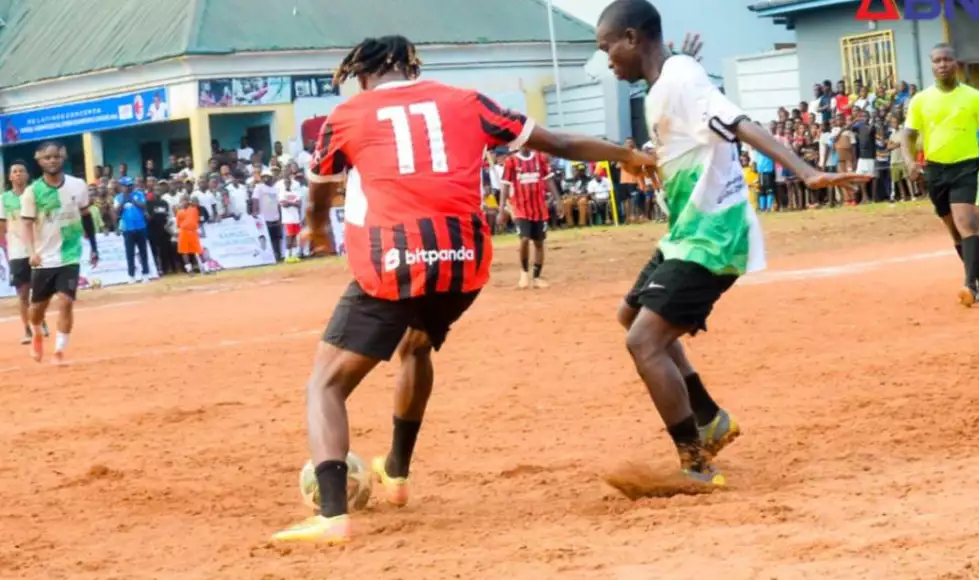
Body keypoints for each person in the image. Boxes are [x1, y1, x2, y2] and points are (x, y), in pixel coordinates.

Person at [272, 34, 655, 544]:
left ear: (363, 75)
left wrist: (316, 229)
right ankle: (398, 472)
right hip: (463, 263)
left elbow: (320, 193)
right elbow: (560, 144)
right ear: (411, 67)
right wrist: (628, 156)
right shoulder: (467, 102)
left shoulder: (348, 115)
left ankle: (332, 515)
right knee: (416, 343)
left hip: (396, 262)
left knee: (325, 385)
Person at [594, 0, 869, 492]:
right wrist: (647, 162)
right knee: (627, 316)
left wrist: (806, 172)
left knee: (643, 341)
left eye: (607, 47)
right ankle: (708, 416)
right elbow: (688, 145)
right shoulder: (667, 83)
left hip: (715, 236)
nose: (606, 59)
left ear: (632, 38)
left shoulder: (680, 77)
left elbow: (739, 122)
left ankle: (695, 461)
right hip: (686, 234)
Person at [904, 43, 979, 307]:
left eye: (947, 60)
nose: (942, 65)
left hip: (966, 168)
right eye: (937, 60)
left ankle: (969, 285)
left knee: (967, 223)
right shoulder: (920, 100)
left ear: (956, 63)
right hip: (935, 170)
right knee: (955, 233)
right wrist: (909, 161)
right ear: (931, 64)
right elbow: (909, 135)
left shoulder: (974, 97)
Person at [19, 142, 99, 363]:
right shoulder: (32, 192)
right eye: (47, 157)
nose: (52, 160)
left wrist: (93, 246)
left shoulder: (78, 185)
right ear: (39, 160)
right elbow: (26, 225)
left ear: (62, 158)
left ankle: (59, 350)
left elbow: (85, 215)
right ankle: (36, 331)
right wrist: (31, 252)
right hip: (44, 258)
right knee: (37, 309)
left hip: (70, 255)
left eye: (56, 156)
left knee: (66, 301)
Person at [0, 160, 49, 344]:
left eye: (22, 171)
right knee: (22, 294)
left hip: (36, 250)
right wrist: (5, 248)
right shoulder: (4, 199)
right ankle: (27, 330)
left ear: (28, 176)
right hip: (16, 252)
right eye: (15, 172)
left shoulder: (33, 196)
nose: (19, 174)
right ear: (10, 176)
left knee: (39, 291)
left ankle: (40, 321)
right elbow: (1, 226)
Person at [499, 147, 555, 289]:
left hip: (539, 208)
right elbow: (505, 186)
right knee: (524, 239)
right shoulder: (511, 161)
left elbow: (549, 180)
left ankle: (536, 277)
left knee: (539, 243)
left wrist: (558, 200)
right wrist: (501, 210)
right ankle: (524, 275)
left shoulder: (540, 158)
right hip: (520, 208)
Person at [114, 180, 152, 283]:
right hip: (127, 229)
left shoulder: (139, 194)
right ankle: (131, 276)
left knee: (143, 252)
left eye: (130, 185)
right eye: (126, 186)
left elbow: (144, 206)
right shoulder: (118, 197)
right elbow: (116, 212)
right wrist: (124, 201)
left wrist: (133, 200)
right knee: (129, 253)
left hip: (141, 227)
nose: (128, 187)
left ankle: (145, 274)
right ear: (122, 187)